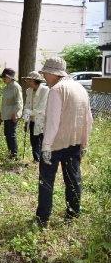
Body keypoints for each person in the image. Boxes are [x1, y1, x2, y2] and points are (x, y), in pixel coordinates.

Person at [35, 57, 92, 229]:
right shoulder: (81, 89)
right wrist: (84, 143)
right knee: (73, 180)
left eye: (45, 73)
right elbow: (88, 119)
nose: (44, 76)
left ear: (53, 73)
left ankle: (42, 218)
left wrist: (45, 147)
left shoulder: (56, 90)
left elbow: (53, 121)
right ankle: (73, 213)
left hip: (54, 145)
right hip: (74, 143)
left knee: (46, 181)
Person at [22, 71, 49, 163]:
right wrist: (25, 112)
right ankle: (36, 158)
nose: (28, 82)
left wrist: (29, 112)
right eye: (28, 80)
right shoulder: (28, 91)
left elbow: (41, 107)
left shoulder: (45, 90)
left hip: (42, 119)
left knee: (41, 139)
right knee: (33, 140)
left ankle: (43, 159)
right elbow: (27, 104)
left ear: (36, 81)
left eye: (30, 80)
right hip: (32, 119)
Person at [0, 68, 23, 160]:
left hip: (12, 114)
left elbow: (19, 101)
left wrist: (15, 113)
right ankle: (10, 153)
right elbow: (4, 103)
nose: (3, 79)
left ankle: (14, 155)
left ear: (10, 77)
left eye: (5, 77)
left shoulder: (16, 86)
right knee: (7, 134)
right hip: (6, 114)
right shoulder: (5, 88)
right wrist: (1, 113)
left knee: (12, 134)